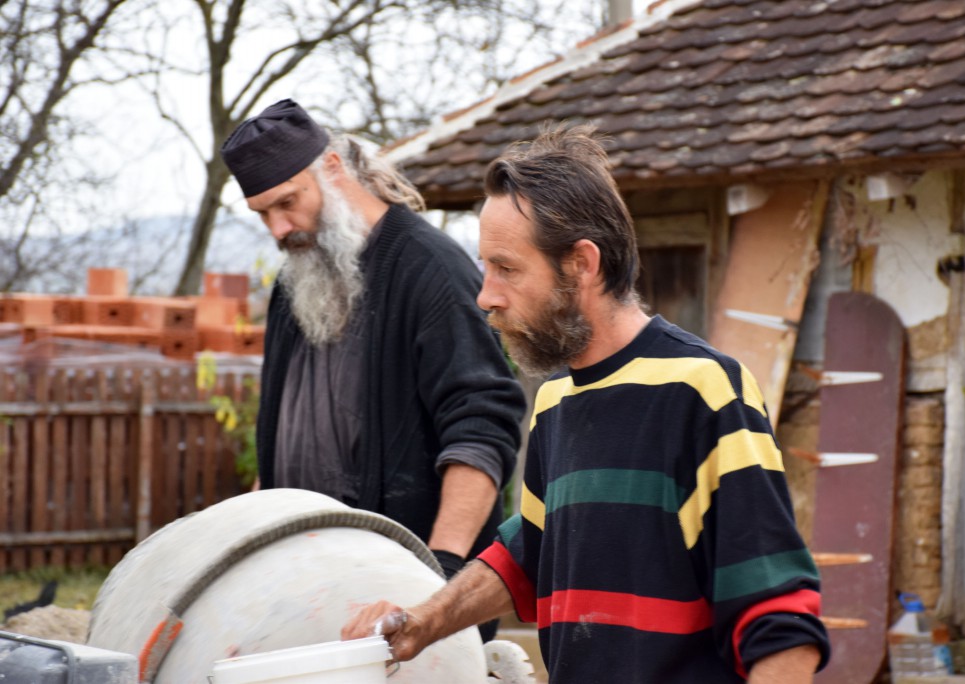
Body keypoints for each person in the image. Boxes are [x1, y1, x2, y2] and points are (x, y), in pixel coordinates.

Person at [342, 125, 831, 682]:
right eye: (486, 267)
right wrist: (421, 622)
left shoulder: (702, 389)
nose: (486, 295)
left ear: (581, 263)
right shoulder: (556, 401)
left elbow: (781, 622)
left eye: (506, 268)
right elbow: (529, 554)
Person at [219, 100, 526, 637]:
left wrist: (438, 581)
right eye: (262, 214)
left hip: (408, 599)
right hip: (312, 590)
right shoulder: (294, 284)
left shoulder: (430, 267)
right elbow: (281, 438)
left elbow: (482, 431)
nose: (278, 228)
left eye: (287, 202)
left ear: (333, 168)